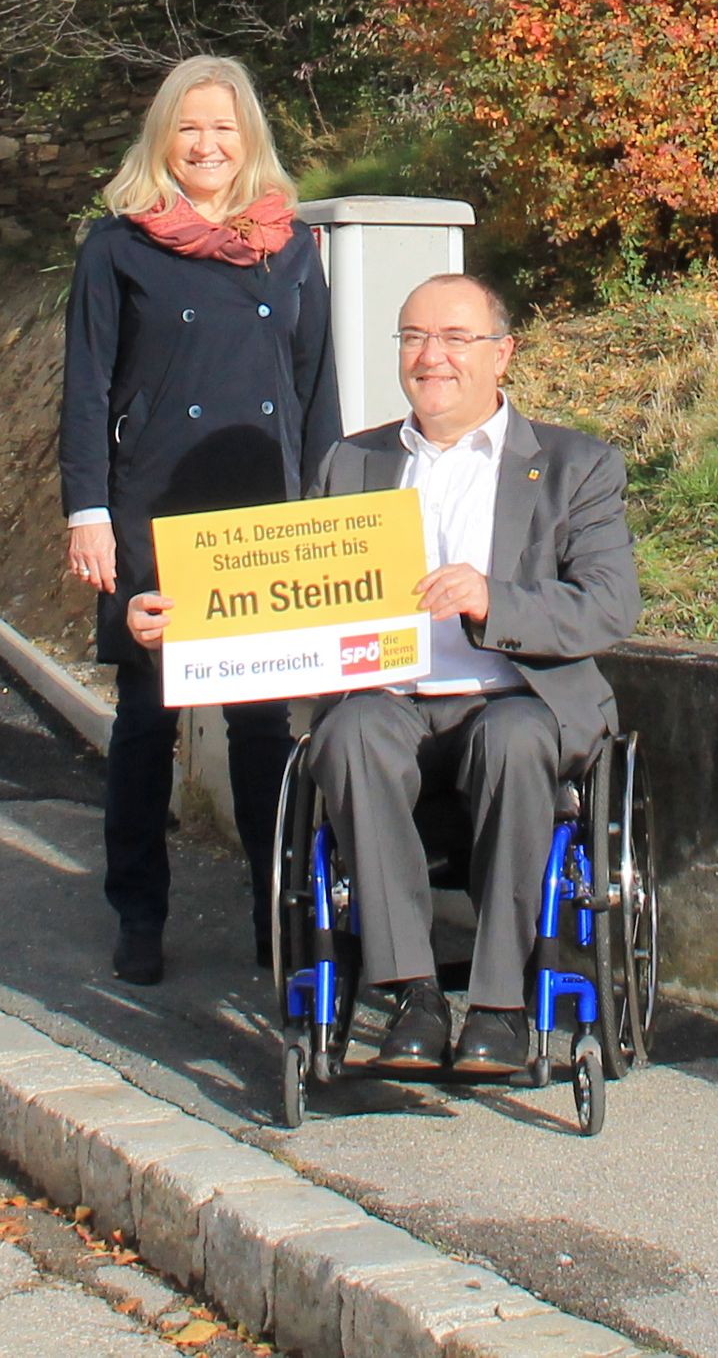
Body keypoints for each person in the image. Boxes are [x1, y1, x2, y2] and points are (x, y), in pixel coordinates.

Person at [129, 271, 635, 1073]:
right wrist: (180, 624)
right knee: (353, 730)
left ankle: (502, 1005)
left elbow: (608, 607)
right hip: (390, 702)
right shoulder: (353, 461)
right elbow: (291, 598)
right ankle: (414, 994)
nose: (431, 356)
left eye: (455, 338)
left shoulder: (576, 466)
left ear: (503, 354)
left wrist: (491, 599)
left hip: (514, 699)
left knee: (512, 739)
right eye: (413, 338)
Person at [61, 56, 337, 985]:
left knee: (264, 730)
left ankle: (276, 913)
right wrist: (88, 510)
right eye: (188, 128)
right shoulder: (116, 245)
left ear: (249, 137)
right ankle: (138, 913)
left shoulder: (292, 246)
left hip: (263, 521)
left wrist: (326, 515)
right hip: (154, 515)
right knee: (147, 720)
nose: (206, 145)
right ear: (162, 139)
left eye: (223, 128)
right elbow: (87, 387)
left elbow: (315, 390)